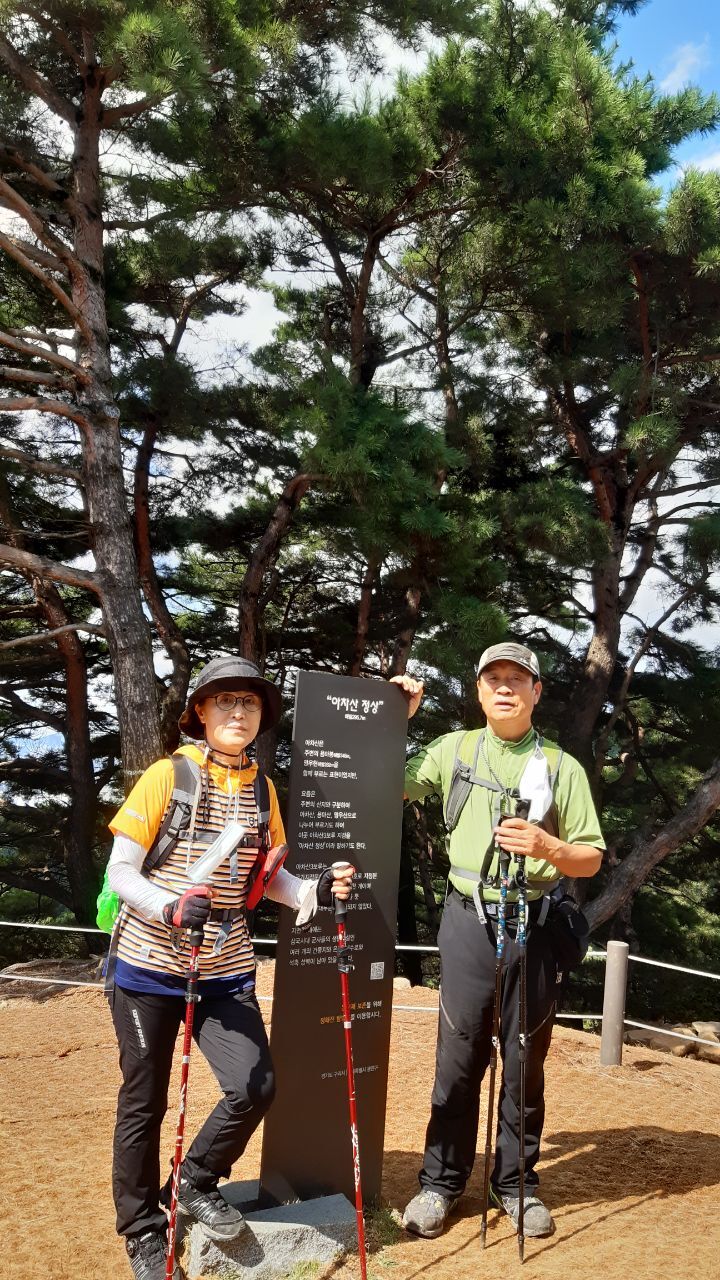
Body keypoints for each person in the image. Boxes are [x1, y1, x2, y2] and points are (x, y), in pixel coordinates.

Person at [106, 656, 354, 1280]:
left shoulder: (262, 789)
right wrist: (169, 905)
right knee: (144, 1101)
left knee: (254, 1085)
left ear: (262, 716)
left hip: (223, 964)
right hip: (148, 965)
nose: (238, 711)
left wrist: (314, 891)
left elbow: (265, 877)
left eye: (250, 702)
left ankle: (193, 1180)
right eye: (224, 701)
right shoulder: (167, 776)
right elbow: (120, 871)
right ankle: (142, 1228)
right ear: (200, 712)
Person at [391, 642, 604, 1241]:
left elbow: (590, 857)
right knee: (458, 1056)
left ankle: (515, 1185)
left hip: (534, 921)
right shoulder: (453, 750)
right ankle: (441, 1183)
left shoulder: (561, 766)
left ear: (537, 691)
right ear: (479, 691)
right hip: (467, 918)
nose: (505, 688)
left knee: (523, 1059)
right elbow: (388, 785)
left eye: (517, 678)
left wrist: (548, 848)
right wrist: (396, 721)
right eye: (493, 679)